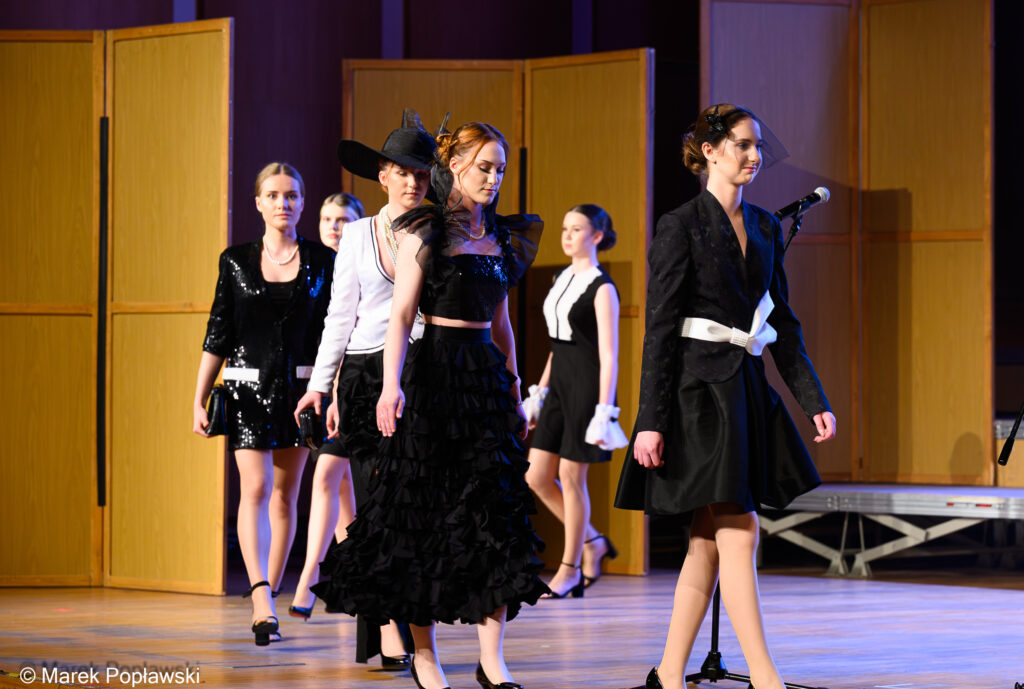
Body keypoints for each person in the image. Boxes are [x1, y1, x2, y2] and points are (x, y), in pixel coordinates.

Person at [313, 120, 547, 689]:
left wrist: (515, 388)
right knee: (420, 516)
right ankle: (425, 655)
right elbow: (399, 317)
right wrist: (390, 387)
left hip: (484, 381)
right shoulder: (426, 229)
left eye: (500, 169)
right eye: (483, 167)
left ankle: (492, 660)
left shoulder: (503, 236)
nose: (493, 178)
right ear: (456, 166)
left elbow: (502, 323)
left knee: (493, 514)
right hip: (434, 374)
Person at [614, 104, 837, 689]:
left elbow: (781, 321)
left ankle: (668, 674)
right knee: (739, 530)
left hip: (743, 389)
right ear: (709, 152)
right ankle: (765, 677)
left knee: (707, 543)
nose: (754, 155)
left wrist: (813, 399)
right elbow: (660, 330)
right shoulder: (680, 225)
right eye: (742, 144)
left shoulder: (764, 225)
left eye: (758, 145)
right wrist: (650, 421)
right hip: (695, 396)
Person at [290, 111, 435, 671]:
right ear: (382, 176)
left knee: (410, 505)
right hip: (362, 377)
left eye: (420, 173)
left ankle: (407, 625)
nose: (412, 182)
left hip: (421, 372)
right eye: (402, 172)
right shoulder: (356, 235)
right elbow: (340, 315)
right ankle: (390, 630)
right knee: (375, 507)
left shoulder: (438, 229)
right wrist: (320, 386)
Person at [192, 162, 334, 646]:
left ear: (302, 201)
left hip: (301, 392)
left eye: (291, 195)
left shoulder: (323, 260)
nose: (282, 203)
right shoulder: (234, 260)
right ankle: (259, 600)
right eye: (273, 195)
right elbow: (218, 332)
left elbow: (333, 331)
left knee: (285, 495)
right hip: (246, 390)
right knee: (254, 486)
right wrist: (198, 398)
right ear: (257, 202)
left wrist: (331, 387)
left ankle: (270, 591)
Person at [523, 203, 626, 598]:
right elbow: (557, 344)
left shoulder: (603, 288)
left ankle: (569, 570)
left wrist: (604, 410)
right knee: (536, 476)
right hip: (559, 386)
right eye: (565, 228)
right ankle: (593, 541)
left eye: (577, 229)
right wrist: (540, 391)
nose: (567, 236)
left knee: (570, 476)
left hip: (586, 386)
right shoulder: (561, 277)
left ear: (597, 236)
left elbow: (609, 355)